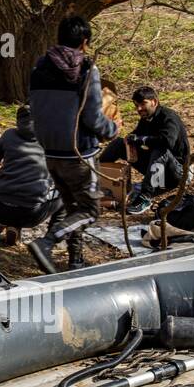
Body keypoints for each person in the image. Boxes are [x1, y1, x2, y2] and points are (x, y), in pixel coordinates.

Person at [25, 15, 119, 272]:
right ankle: (47, 242)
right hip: (79, 154)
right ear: (84, 42)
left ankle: (75, 260)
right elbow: (92, 117)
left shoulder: (40, 66)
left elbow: (36, 107)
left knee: (71, 208)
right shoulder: (87, 70)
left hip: (51, 153)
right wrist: (112, 129)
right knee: (89, 211)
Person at [99, 85, 190, 214]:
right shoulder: (146, 118)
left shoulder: (168, 117)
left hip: (176, 172)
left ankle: (145, 197)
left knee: (160, 149)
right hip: (157, 170)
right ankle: (95, 176)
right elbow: (136, 136)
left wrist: (142, 139)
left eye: (143, 104)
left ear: (154, 102)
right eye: (136, 105)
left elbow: (167, 142)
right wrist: (129, 139)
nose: (139, 109)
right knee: (119, 143)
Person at [0, 105, 58, 247]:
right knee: (65, 195)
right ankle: (49, 241)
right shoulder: (51, 137)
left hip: (1, 209)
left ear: (18, 120)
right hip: (32, 213)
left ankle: (13, 228)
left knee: (16, 195)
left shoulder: (8, 135)